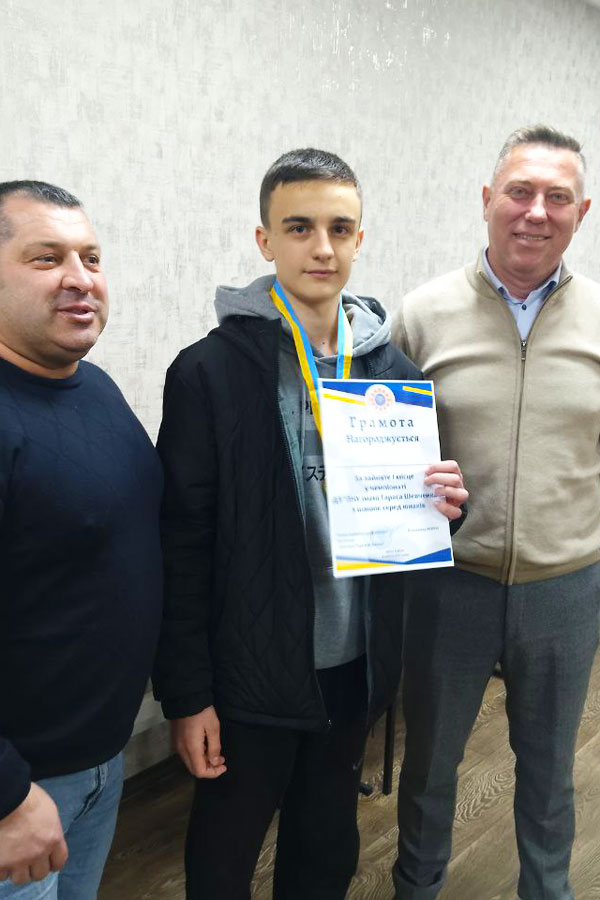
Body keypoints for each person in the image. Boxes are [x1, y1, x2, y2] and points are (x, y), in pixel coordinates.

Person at [153, 148, 468, 899]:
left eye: (340, 228)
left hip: (352, 670)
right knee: (222, 862)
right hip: (246, 677)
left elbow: (413, 520)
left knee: (324, 856)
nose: (321, 247)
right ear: (265, 240)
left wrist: (446, 510)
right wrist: (187, 695)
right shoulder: (207, 373)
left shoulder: (395, 374)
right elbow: (181, 546)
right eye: (299, 227)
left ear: (361, 239)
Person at [391, 125, 598, 900]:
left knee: (549, 772)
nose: (536, 212)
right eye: (520, 192)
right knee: (430, 767)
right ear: (487, 200)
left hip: (566, 588)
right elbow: (385, 450)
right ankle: (416, 888)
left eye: (557, 197)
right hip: (450, 585)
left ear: (582, 212)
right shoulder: (422, 316)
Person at [0, 181, 163, 899]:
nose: (80, 278)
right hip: (21, 793)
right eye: (47, 258)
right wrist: (8, 794)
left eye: (91, 258)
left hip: (98, 763)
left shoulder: (93, 387)